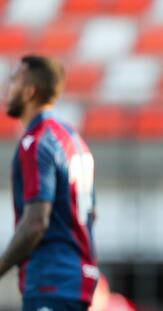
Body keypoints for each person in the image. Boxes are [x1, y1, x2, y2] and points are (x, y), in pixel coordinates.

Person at [0, 55, 99, 310]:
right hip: (79, 278)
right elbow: (91, 214)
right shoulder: (74, 141)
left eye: (14, 82)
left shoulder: (36, 141)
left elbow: (35, 223)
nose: (8, 89)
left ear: (30, 91)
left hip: (50, 281)